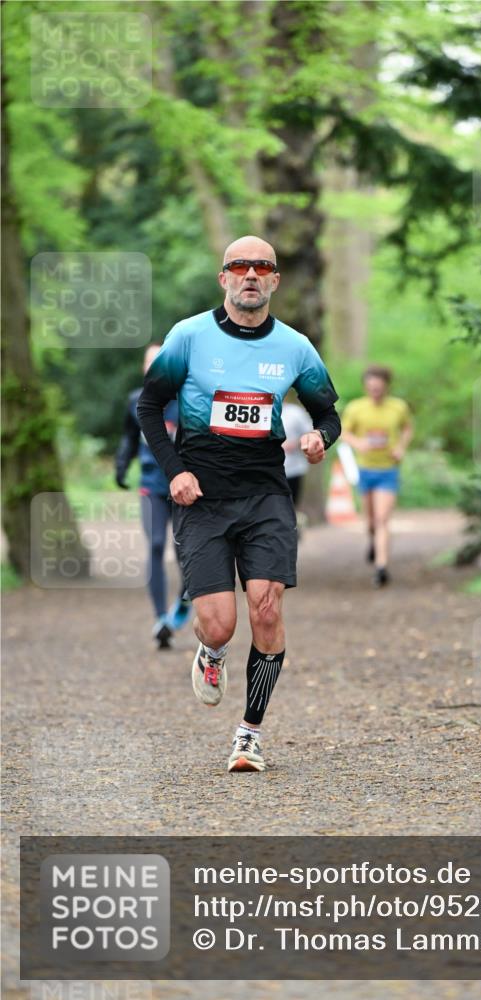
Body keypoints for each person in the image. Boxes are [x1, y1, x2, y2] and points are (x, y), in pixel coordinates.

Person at [137, 235, 340, 773]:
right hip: (201, 496)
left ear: (275, 280)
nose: (250, 275)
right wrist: (175, 471)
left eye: (262, 267)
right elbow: (150, 408)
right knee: (219, 623)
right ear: (224, 278)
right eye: (239, 266)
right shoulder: (189, 336)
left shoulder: (296, 346)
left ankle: (249, 734)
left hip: (266, 494)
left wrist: (321, 437)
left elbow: (328, 413)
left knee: (267, 611)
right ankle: (212, 652)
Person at [115, 344, 191, 649]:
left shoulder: (185, 401)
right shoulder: (136, 401)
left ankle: (184, 602)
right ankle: (161, 619)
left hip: (184, 488)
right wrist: (121, 465)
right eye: (149, 362)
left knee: (189, 552)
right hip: (151, 487)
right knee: (157, 545)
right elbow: (128, 439)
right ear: (143, 368)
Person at [341, 365, 412, 587]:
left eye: (379, 388)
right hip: (364, 469)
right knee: (371, 521)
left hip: (388, 469)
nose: (375, 392)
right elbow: (343, 432)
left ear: (387, 387)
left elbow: (408, 428)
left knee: (382, 519)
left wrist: (401, 447)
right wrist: (358, 443)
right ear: (365, 387)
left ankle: (381, 567)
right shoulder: (356, 408)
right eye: (371, 388)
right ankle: (373, 540)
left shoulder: (398, 407)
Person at [281, 391, 313, 515]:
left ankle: (293, 531)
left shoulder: (295, 412)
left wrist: (296, 443)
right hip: (268, 470)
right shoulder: (261, 411)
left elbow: (310, 433)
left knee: (291, 505)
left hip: (293, 469)